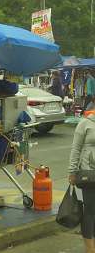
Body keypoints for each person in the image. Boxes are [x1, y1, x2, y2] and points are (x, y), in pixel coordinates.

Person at [69, 104, 95, 253]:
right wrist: (72, 171)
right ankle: (90, 249)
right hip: (89, 174)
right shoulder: (85, 123)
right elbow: (76, 148)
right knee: (91, 211)